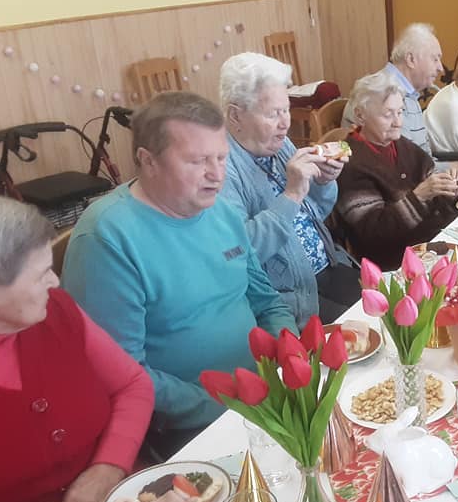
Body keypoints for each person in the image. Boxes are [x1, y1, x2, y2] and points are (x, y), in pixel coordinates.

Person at [61, 91, 297, 459]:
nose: (216, 175)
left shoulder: (220, 211)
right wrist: (230, 403)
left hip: (264, 393)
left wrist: (288, 352)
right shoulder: (107, 239)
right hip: (192, 426)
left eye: (221, 158)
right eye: (197, 161)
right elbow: (123, 374)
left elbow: (266, 301)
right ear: (148, 161)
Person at [0, 196, 153, 502]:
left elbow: (132, 385)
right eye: (41, 275)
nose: (55, 283)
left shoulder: (55, 310)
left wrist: (108, 465)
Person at [218, 52, 359, 326]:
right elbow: (241, 254)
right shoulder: (220, 170)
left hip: (328, 265)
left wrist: (323, 182)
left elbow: (317, 211)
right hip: (291, 298)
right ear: (235, 115)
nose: (286, 123)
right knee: (371, 327)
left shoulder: (278, 144)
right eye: (273, 114)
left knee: (393, 304)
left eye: (286, 110)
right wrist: (292, 194)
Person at [334, 71, 458, 270]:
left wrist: (451, 187)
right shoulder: (351, 163)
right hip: (398, 261)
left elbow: (431, 182)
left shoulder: (399, 144)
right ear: (360, 115)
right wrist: (419, 196)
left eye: (400, 112)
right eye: (388, 114)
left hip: (436, 239)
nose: (398, 122)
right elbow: (372, 234)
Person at [342, 23, 458, 177]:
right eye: (435, 59)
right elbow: (405, 170)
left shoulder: (409, 94)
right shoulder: (383, 95)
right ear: (411, 59)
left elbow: (422, 160)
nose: (440, 68)